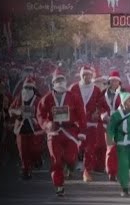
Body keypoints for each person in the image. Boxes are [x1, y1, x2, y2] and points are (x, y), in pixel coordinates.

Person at [36, 68, 87, 196]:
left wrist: (82, 130)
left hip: (70, 131)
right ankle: (59, 185)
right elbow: (40, 114)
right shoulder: (47, 98)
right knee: (56, 160)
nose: (60, 82)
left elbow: (81, 115)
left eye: (62, 80)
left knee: (70, 157)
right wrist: (47, 124)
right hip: (54, 133)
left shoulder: (73, 96)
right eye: (57, 80)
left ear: (65, 81)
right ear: (53, 82)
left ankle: (70, 165)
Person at [8, 76, 44, 180]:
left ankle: (37, 159)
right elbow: (10, 110)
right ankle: (26, 170)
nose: (27, 90)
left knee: (35, 150)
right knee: (22, 151)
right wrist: (17, 112)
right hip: (21, 128)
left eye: (30, 88)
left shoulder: (38, 100)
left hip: (35, 129)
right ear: (23, 88)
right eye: (26, 87)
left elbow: (44, 113)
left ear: (34, 89)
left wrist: (37, 118)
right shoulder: (19, 97)